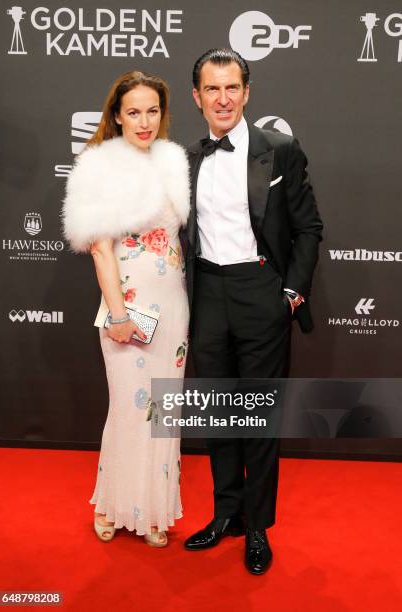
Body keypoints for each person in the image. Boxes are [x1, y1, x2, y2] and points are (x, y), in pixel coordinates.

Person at [183, 49, 323, 573]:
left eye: (232, 88)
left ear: (247, 92)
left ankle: (258, 526)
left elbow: (308, 228)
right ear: (197, 97)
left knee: (258, 416)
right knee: (219, 412)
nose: (223, 98)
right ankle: (226, 515)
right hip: (207, 296)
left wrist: (290, 293)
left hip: (260, 291)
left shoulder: (281, 150)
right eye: (212, 89)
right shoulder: (187, 157)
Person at [62, 71, 190, 547]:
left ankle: (155, 510)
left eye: (152, 111)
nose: (144, 121)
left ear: (163, 112)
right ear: (116, 115)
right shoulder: (100, 167)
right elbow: (100, 248)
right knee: (128, 408)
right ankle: (115, 505)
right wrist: (117, 313)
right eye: (133, 112)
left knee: (162, 412)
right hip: (129, 306)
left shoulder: (173, 162)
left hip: (173, 309)